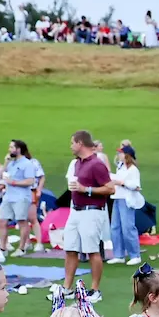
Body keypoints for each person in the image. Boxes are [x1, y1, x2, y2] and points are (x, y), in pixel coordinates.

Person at [58, 130, 114, 304]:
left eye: (72, 143)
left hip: (92, 211)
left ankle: (95, 290)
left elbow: (110, 188)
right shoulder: (77, 163)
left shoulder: (97, 164)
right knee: (70, 248)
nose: (71, 146)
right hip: (75, 210)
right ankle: (67, 288)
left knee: (92, 251)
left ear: (80, 143)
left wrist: (86, 190)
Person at [107, 145, 143, 266]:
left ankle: (135, 255)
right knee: (115, 227)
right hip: (117, 197)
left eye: (121, 153)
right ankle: (118, 255)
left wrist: (121, 182)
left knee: (128, 227)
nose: (119, 155)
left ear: (127, 155)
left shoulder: (133, 170)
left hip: (127, 200)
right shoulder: (121, 167)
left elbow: (135, 186)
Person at [0, 140, 35, 257]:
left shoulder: (27, 163)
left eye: (11, 147)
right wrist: (5, 162)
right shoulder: (11, 163)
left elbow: (30, 181)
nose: (9, 149)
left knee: (21, 221)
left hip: (21, 197)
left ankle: (22, 247)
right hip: (8, 196)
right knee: (2, 220)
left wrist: (14, 182)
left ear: (18, 149)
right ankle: (3, 247)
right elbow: (0, 175)